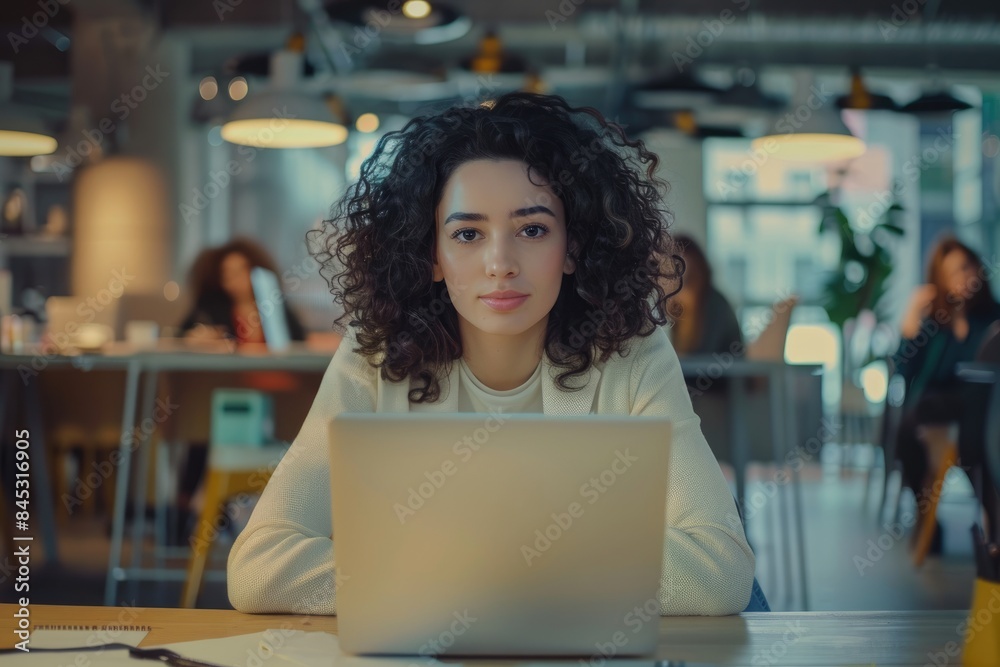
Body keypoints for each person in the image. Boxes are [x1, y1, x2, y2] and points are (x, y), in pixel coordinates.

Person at [227, 92, 755, 615]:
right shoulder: (377, 352)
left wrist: (437, 579)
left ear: (572, 248)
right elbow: (259, 566)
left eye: (532, 229)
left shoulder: (630, 350)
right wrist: (539, 577)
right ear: (431, 255)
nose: (500, 263)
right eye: (467, 233)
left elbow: (720, 570)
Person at [893, 236, 1000, 547]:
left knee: (971, 424)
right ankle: (929, 520)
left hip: (983, 404)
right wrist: (911, 317)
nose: (963, 277)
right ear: (940, 280)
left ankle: (991, 514)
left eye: (967, 267)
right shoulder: (935, 325)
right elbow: (904, 370)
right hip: (939, 404)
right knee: (908, 431)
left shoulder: (993, 319)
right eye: (953, 272)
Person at [179, 237, 306, 346]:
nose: (236, 279)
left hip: (275, 372)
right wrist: (197, 339)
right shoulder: (210, 309)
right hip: (231, 374)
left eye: (242, 270)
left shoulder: (274, 304)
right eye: (228, 273)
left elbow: (298, 341)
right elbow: (182, 337)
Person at [663, 234, 743, 358]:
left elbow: (706, 354)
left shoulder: (716, 304)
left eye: (688, 281)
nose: (680, 293)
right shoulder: (664, 305)